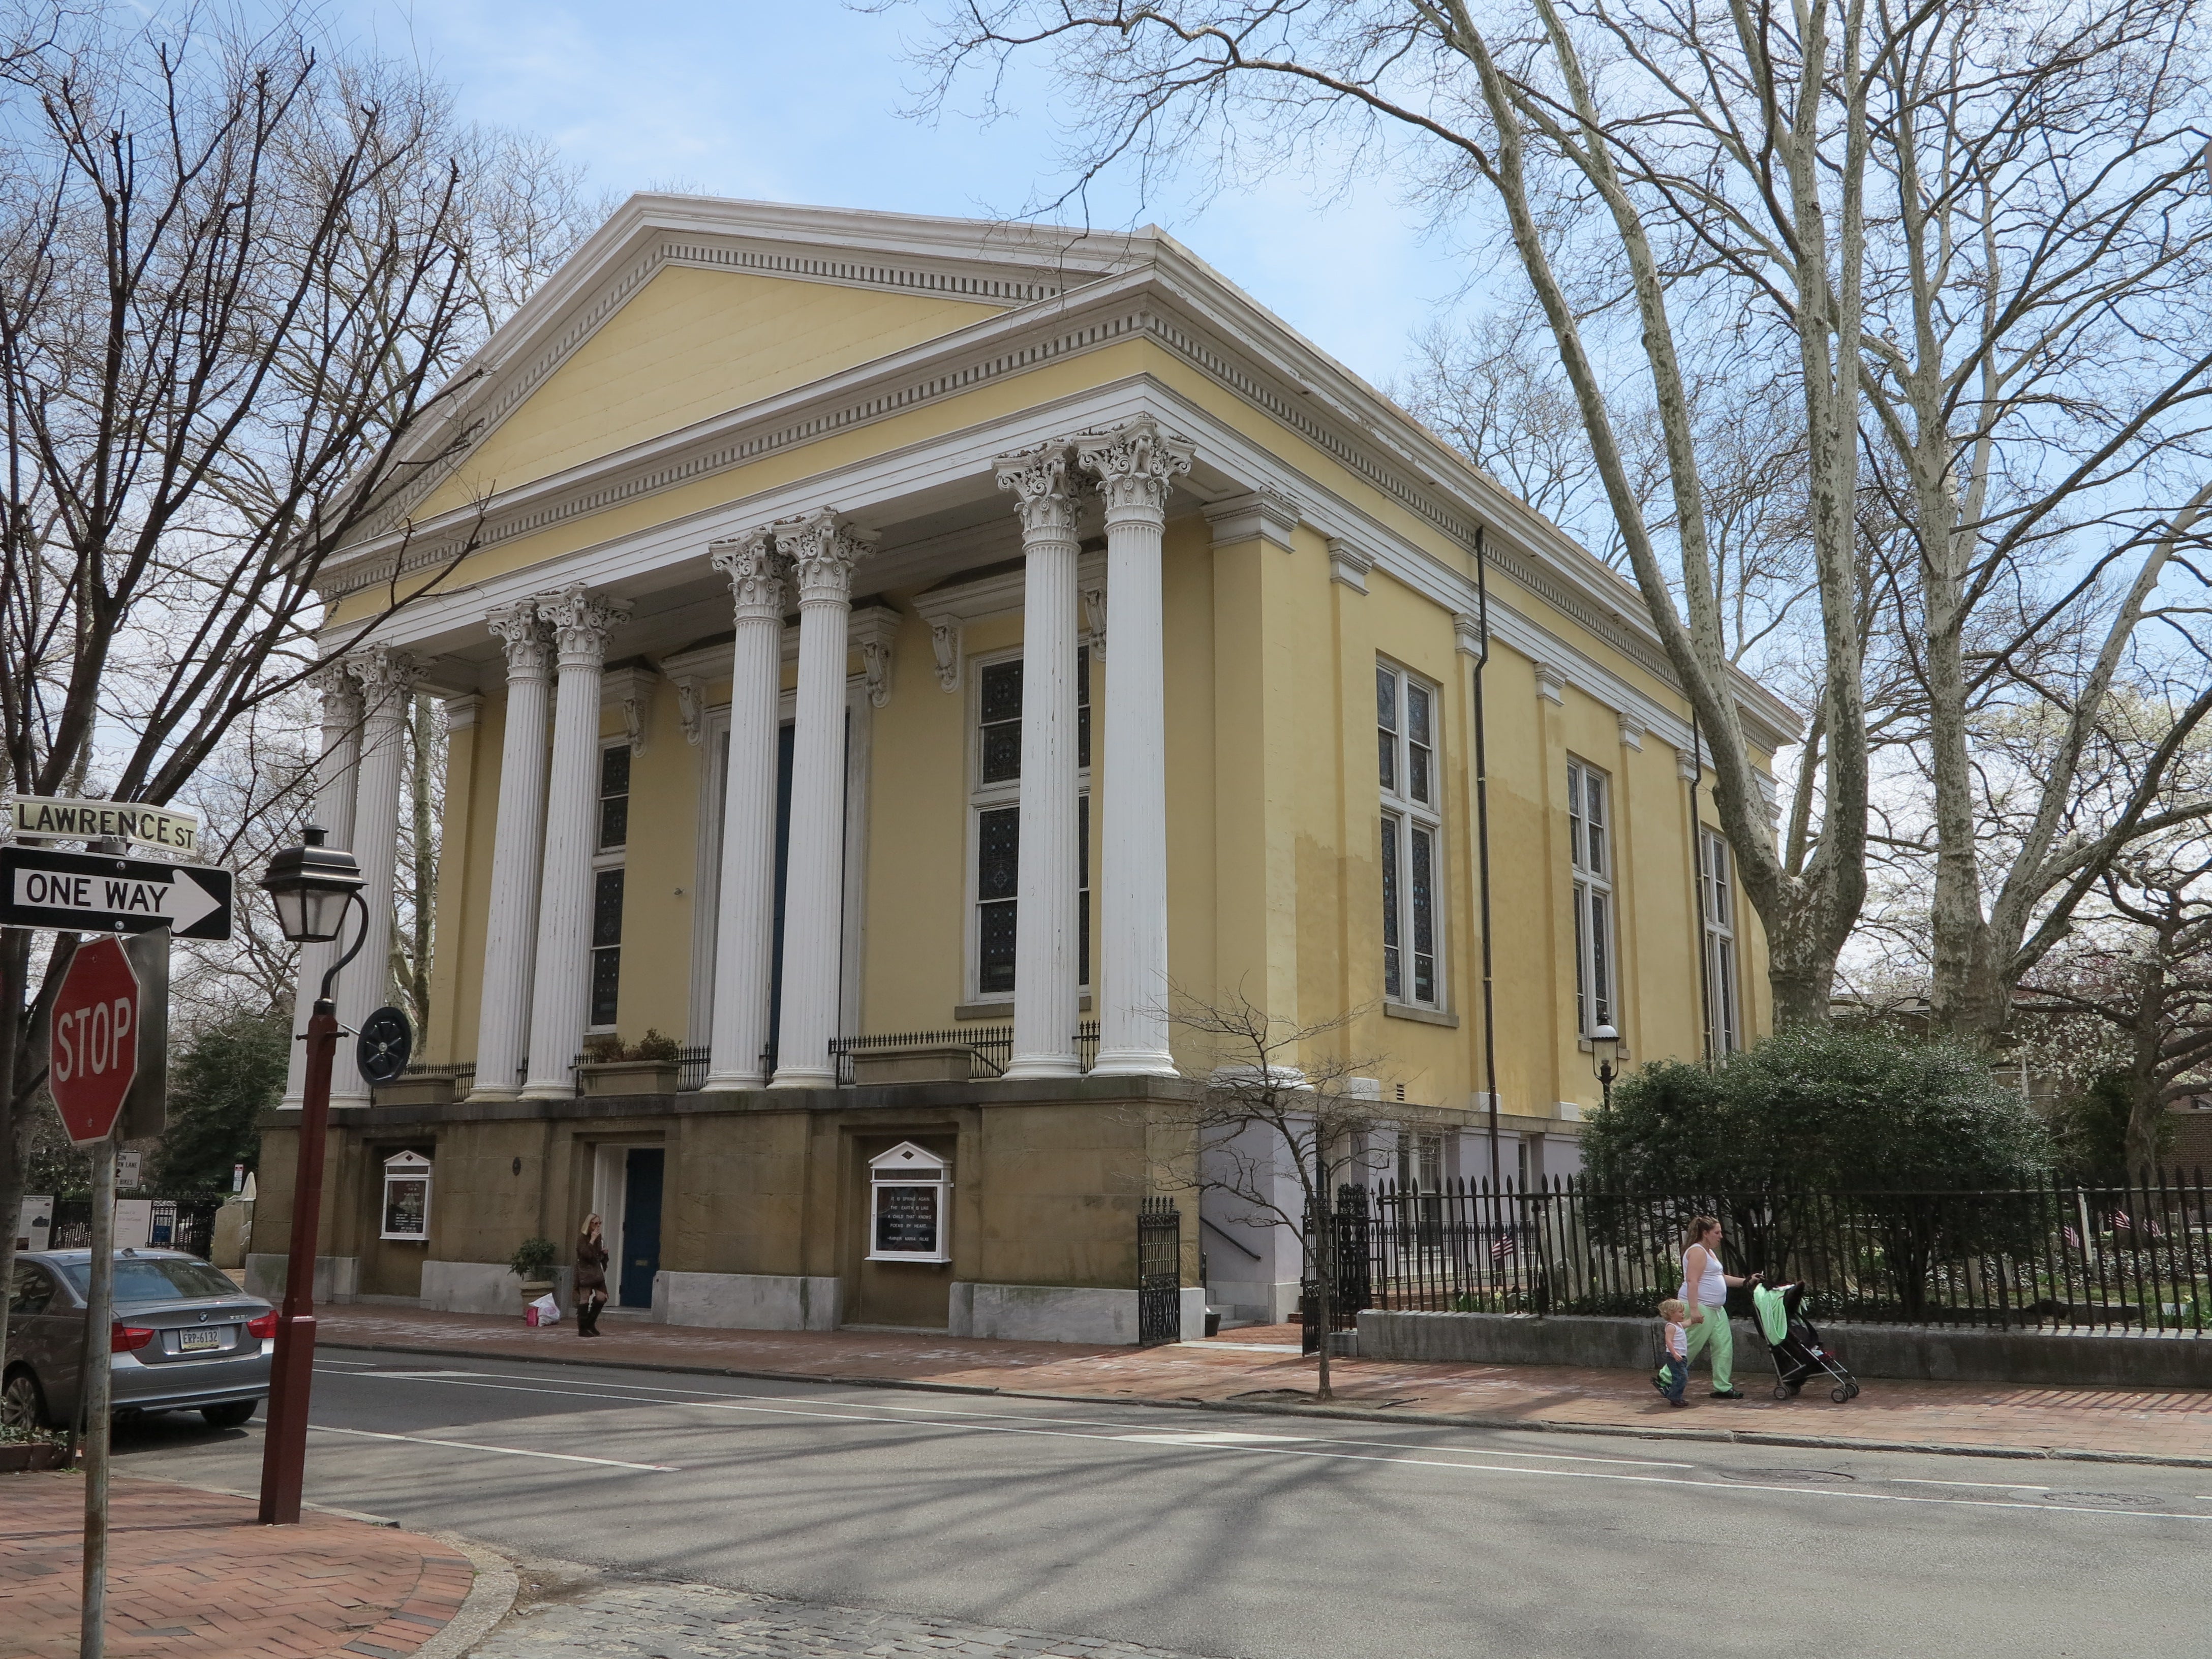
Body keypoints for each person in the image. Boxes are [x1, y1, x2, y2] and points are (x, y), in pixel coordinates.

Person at [1679, 1214, 1750, 1398]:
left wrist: (1747, 1282)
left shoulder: (1708, 1252)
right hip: (1701, 1306)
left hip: (1716, 1309)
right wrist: (1694, 1310)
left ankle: (1722, 1386)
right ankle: (1666, 1377)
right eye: (1717, 1233)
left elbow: (1720, 1278)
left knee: (1723, 1345)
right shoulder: (1697, 1251)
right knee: (1691, 1345)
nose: (1720, 1236)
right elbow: (1692, 1281)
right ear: (1705, 1233)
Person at [575, 1213, 609, 1338]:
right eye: (595, 1223)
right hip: (584, 1271)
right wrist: (592, 1241)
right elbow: (585, 1254)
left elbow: (596, 1256)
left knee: (602, 1297)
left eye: (599, 1223)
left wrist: (603, 1253)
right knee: (585, 1297)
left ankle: (590, 1323)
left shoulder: (599, 1237)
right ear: (589, 1224)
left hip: (596, 1271)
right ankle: (582, 1328)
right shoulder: (582, 1237)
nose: (598, 1226)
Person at [1656, 1298, 1691, 1407]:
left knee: (1681, 1377)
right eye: (1680, 1312)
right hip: (1674, 1356)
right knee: (1682, 1377)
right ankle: (1674, 1397)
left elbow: (1687, 1323)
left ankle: (1677, 1397)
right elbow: (1668, 1341)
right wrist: (1674, 1353)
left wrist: (1696, 1320)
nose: (1683, 1314)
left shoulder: (1679, 1325)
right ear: (1671, 1313)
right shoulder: (1671, 1327)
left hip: (1681, 1356)